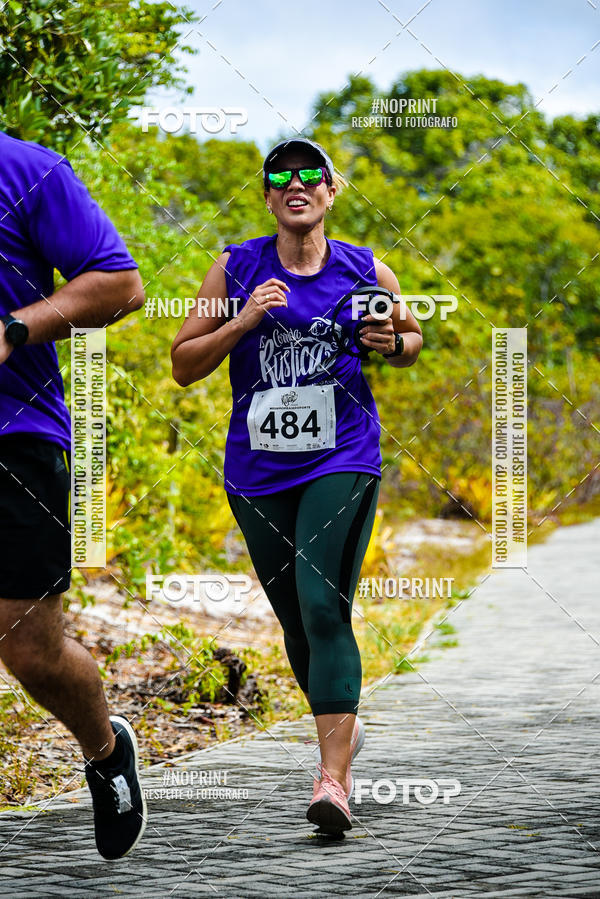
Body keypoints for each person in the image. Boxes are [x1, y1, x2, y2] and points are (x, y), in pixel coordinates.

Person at [171, 137, 423, 833]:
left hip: (341, 457)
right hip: (257, 471)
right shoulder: (235, 267)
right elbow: (184, 364)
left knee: (321, 605)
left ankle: (332, 780)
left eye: (311, 173)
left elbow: (410, 339)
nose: (296, 183)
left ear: (331, 191)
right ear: (267, 196)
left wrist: (391, 344)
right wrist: (244, 319)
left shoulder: (366, 269)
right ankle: (342, 724)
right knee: (295, 619)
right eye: (280, 175)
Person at [0, 130, 147, 859]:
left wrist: (14, 329)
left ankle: (105, 750)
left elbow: (121, 284)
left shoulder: (27, 171)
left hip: (15, 437)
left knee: (28, 649)